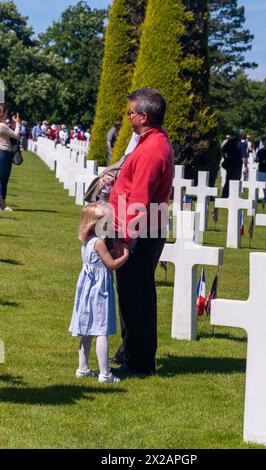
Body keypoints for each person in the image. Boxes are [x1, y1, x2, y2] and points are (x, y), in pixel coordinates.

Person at [108, 88, 174, 376]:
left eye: (131, 112)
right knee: (132, 293)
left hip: (139, 231)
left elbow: (140, 199)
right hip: (141, 228)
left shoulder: (151, 150)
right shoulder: (150, 142)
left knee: (137, 296)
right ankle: (130, 349)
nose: (128, 116)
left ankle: (139, 362)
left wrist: (124, 239)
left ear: (144, 117)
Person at [69, 202, 129, 384]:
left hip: (87, 289)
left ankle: (83, 368)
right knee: (101, 330)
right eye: (105, 223)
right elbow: (110, 265)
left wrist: (110, 252)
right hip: (99, 291)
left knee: (87, 331)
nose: (108, 226)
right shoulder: (99, 242)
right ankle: (105, 373)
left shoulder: (87, 242)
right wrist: (125, 254)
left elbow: (98, 259)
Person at [0, 104, 21, 211]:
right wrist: (18, 124)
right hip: (3, 153)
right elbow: (16, 135)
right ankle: (2, 204)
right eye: (6, 113)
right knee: (3, 180)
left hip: (2, 153)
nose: (6, 115)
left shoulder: (3, 126)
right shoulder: (2, 126)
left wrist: (12, 125)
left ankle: (2, 204)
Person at [221, 129, 248, 198]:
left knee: (228, 181)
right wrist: (246, 167)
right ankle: (234, 197)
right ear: (241, 136)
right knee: (236, 181)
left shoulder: (229, 142)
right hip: (237, 166)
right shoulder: (241, 145)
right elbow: (243, 157)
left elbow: (222, 151)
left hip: (229, 164)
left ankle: (225, 196)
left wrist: (225, 158)